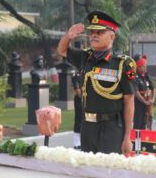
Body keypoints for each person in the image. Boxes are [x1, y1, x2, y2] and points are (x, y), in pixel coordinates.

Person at [57, 11, 135, 155]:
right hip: (88, 126)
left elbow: (129, 100)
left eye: (99, 32)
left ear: (111, 37)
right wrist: (69, 36)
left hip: (111, 127)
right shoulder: (85, 58)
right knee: (88, 171)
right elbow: (62, 50)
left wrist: (127, 137)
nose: (94, 35)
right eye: (92, 31)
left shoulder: (121, 65)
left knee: (108, 171)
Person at [133, 55, 155, 129]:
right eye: (143, 66)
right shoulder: (133, 75)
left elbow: (153, 87)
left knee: (145, 122)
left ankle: (142, 139)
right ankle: (135, 140)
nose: (145, 68)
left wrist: (152, 99)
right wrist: (144, 102)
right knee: (138, 122)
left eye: (146, 66)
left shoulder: (146, 75)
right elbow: (136, 92)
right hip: (138, 102)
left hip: (147, 101)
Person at [72, 70, 83, 149]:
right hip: (80, 100)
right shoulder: (76, 76)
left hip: (88, 100)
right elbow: (77, 90)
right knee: (79, 119)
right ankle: (76, 142)